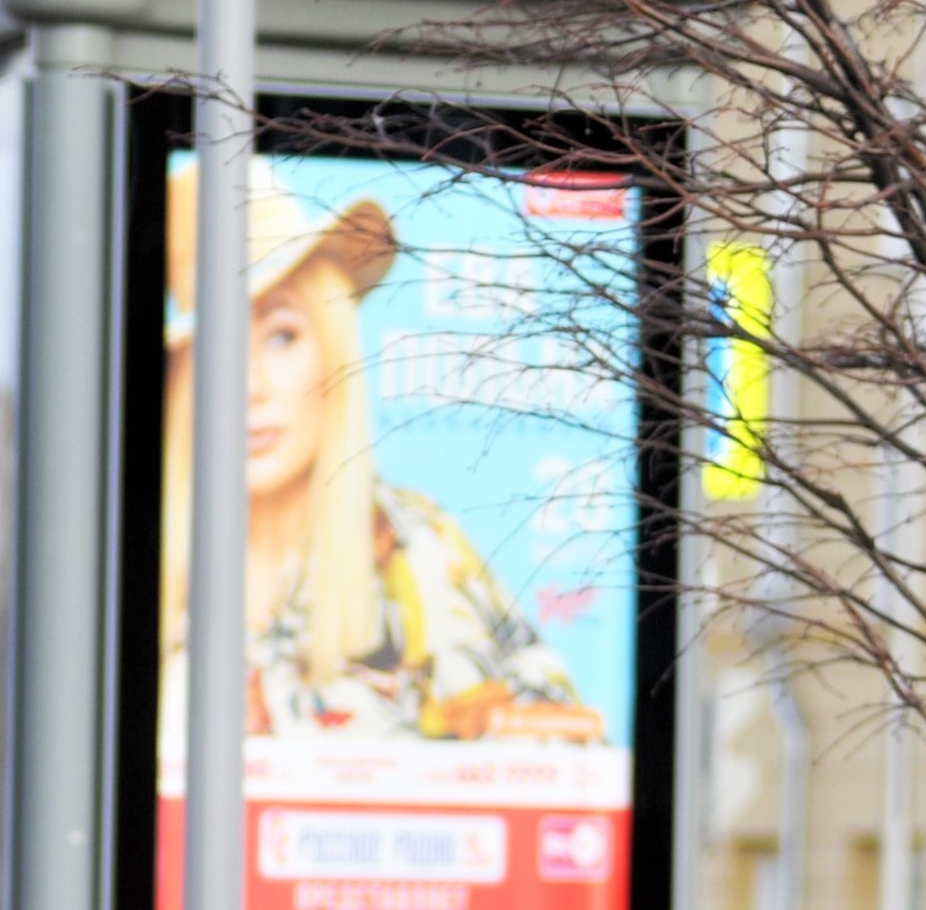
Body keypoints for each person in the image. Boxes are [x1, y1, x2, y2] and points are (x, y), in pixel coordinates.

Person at [159, 159, 598, 751]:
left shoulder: (415, 549)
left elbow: (567, 762)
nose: (250, 385)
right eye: (218, 344)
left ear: (333, 354)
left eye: (281, 336)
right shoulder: (137, 566)